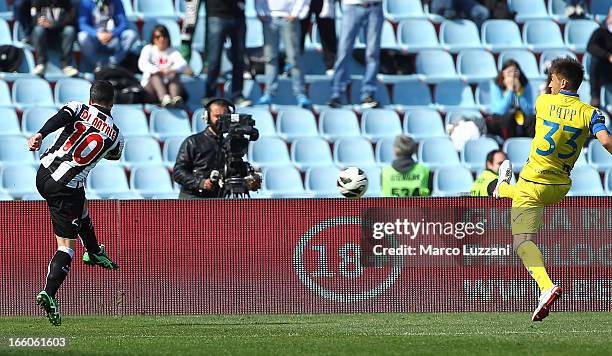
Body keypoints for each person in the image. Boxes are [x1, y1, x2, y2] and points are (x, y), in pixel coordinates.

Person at [493, 57, 612, 321]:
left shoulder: (543, 102)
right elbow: (605, 141)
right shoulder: (591, 113)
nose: (549, 84)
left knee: (522, 242)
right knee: (516, 193)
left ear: (563, 82)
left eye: (552, 80)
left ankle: (546, 287)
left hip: (534, 182)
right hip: (559, 186)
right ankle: (501, 187)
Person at [26, 80, 123, 326]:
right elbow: (114, 155)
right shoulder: (116, 136)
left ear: (91, 99)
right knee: (66, 247)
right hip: (63, 189)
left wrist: (39, 134)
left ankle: (94, 252)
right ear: (112, 103)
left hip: (44, 172)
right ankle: (49, 291)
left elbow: (59, 118)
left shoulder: (78, 107)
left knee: (82, 204)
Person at [255, 0, 312, 108]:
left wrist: (295, 13)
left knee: (294, 58)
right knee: (270, 57)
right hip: (269, 17)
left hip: (289, 17)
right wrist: (259, 10)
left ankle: (300, 93)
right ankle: (269, 93)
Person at [327, 0, 383, 109]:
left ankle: (368, 93)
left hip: (375, 7)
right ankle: (336, 93)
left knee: (372, 53)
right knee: (343, 51)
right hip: (352, 6)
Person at [203, 0, 251, 107]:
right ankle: (210, 95)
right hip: (217, 14)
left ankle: (237, 95)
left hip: (238, 15)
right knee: (214, 59)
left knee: (239, 58)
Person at [138, 24, 192, 108]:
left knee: (175, 73)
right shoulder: (148, 49)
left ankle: (175, 99)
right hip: (151, 89)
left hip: (168, 87)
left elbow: (182, 64)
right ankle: (164, 98)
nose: (161, 39)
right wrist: (159, 70)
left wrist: (170, 70)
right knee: (155, 74)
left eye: (164, 36)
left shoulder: (173, 52)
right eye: (158, 37)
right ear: (153, 39)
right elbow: (142, 64)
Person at [77, 0, 138, 71]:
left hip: (113, 38)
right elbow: (82, 24)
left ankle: (113, 63)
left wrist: (112, 34)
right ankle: (98, 64)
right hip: (96, 38)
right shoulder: (86, 2)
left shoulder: (117, 1)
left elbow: (123, 23)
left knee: (131, 34)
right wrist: (96, 34)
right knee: (82, 36)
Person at [30, 0, 79, 77]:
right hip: (43, 36)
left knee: (70, 30)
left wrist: (52, 25)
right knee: (38, 29)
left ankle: (66, 65)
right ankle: (41, 63)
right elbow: (33, 17)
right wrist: (38, 21)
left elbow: (70, 20)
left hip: (60, 36)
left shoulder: (67, 3)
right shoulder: (38, 1)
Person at [487, 59, 535, 138]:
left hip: (521, 116)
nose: (513, 75)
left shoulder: (525, 85)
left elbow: (529, 110)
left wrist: (519, 93)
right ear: (503, 73)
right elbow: (500, 110)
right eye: (509, 72)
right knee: (508, 118)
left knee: (533, 120)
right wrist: (510, 91)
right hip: (503, 118)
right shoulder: (496, 85)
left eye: (515, 72)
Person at [299, 0, 337, 75]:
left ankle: (331, 66)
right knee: (299, 35)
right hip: (303, 3)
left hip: (324, 3)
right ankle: (293, 66)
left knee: (328, 33)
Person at [586, 6, 612, 108]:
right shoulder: (601, 31)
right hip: (603, 70)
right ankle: (595, 97)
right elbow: (590, 47)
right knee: (595, 60)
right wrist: (608, 56)